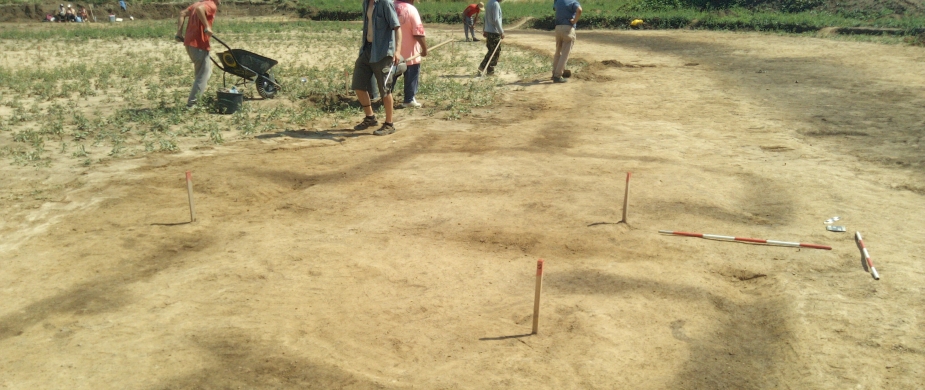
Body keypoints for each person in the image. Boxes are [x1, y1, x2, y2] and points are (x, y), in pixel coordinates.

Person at [351, 0, 402, 136]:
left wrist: (397, 51)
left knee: (385, 89)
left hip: (383, 52)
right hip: (367, 49)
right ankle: (370, 117)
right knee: (358, 84)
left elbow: (397, 27)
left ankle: (389, 124)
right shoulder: (366, 3)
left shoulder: (385, 3)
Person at [176, 0, 219, 108]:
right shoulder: (210, 4)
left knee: (203, 72)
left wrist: (179, 33)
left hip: (189, 43)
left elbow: (182, 13)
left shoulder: (196, 4)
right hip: (198, 43)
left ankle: (197, 97)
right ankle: (193, 103)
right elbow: (200, 10)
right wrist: (207, 26)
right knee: (203, 73)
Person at [391, 0, 427, 109]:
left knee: (390, 77)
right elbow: (418, 33)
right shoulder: (411, 9)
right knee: (412, 76)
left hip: (392, 52)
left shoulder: (390, 5)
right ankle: (409, 99)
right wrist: (425, 48)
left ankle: (385, 98)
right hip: (410, 54)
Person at [552, 0, 581, 83]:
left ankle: (554, 72)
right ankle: (557, 75)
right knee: (565, 54)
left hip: (558, 27)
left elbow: (555, 8)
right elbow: (579, 10)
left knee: (558, 51)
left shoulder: (558, 1)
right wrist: (574, 21)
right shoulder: (573, 2)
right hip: (567, 28)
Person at [479, 0, 503, 76]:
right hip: (494, 32)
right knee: (495, 51)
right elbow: (496, 19)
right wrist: (501, 32)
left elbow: (485, 18)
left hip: (489, 31)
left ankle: (489, 70)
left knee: (491, 50)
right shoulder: (495, 4)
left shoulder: (489, 3)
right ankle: (484, 66)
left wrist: (485, 30)